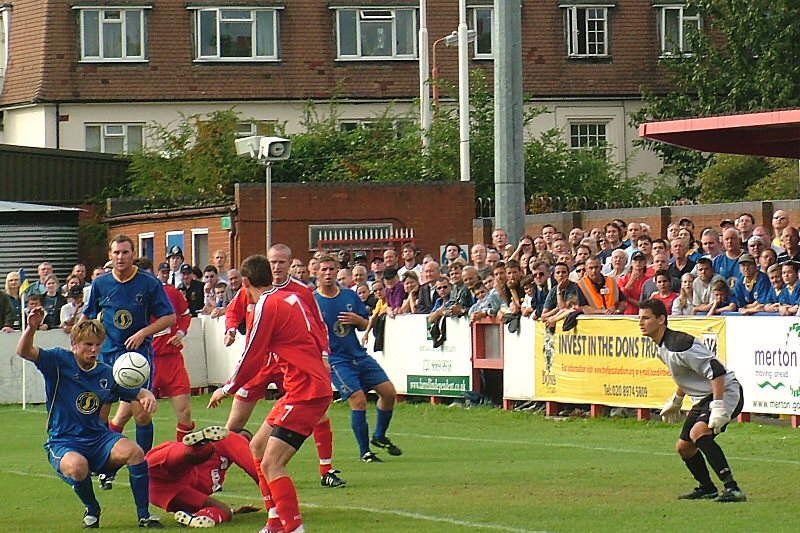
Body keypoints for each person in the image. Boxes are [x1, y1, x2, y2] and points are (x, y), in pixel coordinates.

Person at [208, 254, 333, 533]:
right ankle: (275, 522)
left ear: (246, 282)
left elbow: (253, 353)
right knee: (257, 447)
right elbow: (313, 332)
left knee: (273, 463)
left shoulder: (266, 305)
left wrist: (227, 388)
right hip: (304, 386)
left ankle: (293, 528)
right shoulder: (291, 298)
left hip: (306, 390)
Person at [16, 313, 162, 528]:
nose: (94, 350)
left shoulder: (106, 373)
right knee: (78, 466)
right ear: (74, 345)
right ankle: (92, 508)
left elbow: (132, 391)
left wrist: (146, 395)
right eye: (88, 344)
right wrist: (32, 328)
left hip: (99, 438)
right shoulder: (58, 361)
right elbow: (24, 351)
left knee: (135, 452)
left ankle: (144, 515)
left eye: (98, 345)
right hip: (63, 441)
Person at [222, 244, 345, 490]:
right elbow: (233, 312)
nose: (277, 267)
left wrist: (323, 354)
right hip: (260, 365)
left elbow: (317, 325)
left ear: (290, 264)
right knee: (235, 423)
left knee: (316, 412)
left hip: (289, 366)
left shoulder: (299, 292)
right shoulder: (251, 291)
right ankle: (218, 476)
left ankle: (326, 470)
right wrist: (230, 328)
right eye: (272, 262)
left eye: (281, 262)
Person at [82, 234, 176, 487]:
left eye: (125, 252)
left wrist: (143, 332)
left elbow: (169, 318)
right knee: (101, 415)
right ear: (110, 256)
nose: (120, 257)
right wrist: (81, 343)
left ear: (133, 254)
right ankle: (106, 467)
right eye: (116, 253)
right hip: (108, 357)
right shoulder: (100, 284)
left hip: (137, 358)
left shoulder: (148, 283)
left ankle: (142, 466)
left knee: (142, 414)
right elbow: (88, 318)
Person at [638, 299, 746, 503]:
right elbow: (685, 375)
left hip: (726, 391)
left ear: (661, 319)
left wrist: (718, 406)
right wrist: (677, 399)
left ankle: (733, 488)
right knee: (684, 447)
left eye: (646, 318)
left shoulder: (680, 344)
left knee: (699, 433)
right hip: (704, 398)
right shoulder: (661, 346)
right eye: (640, 318)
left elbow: (716, 370)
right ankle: (708, 488)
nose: (641, 322)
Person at [315, 255, 402, 463]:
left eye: (331, 269)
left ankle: (379, 435)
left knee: (389, 393)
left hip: (358, 354)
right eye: (324, 270)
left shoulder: (349, 296)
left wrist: (358, 320)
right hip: (337, 361)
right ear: (317, 273)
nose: (328, 274)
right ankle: (365, 452)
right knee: (359, 400)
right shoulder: (313, 301)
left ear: (338, 271)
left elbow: (364, 325)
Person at [147, 426, 261, 528]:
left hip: (164, 489)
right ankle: (196, 446)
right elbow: (258, 472)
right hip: (165, 472)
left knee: (224, 510)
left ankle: (196, 517)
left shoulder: (220, 473)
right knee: (199, 453)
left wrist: (233, 511)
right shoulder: (230, 438)